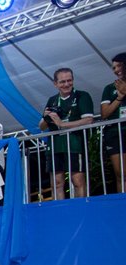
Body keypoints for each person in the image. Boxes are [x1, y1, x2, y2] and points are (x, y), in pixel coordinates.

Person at [39, 68, 94, 200]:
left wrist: (62, 124)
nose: (66, 84)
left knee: (78, 181)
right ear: (55, 84)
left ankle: (82, 211)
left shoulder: (82, 95)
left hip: (74, 144)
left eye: (69, 80)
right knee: (57, 183)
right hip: (55, 146)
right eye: (62, 81)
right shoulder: (52, 100)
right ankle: (60, 212)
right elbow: (41, 126)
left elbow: (89, 120)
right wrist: (46, 117)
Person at [101, 52, 126, 193]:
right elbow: (104, 114)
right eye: (113, 68)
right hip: (115, 134)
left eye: (118, 66)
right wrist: (120, 97)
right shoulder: (109, 88)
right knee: (121, 174)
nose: (116, 70)